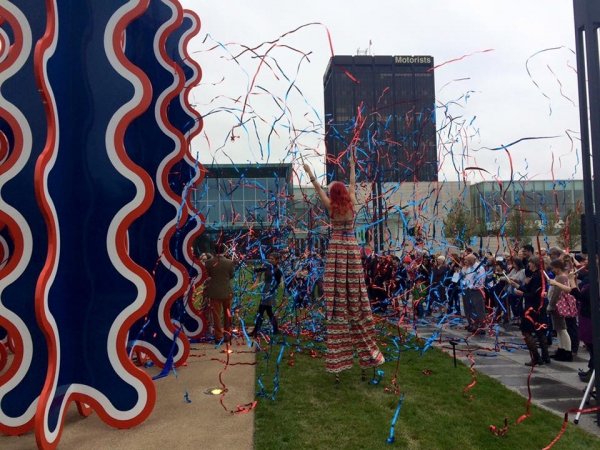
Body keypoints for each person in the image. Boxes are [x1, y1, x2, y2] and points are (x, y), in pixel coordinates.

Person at [303, 153, 385, 382]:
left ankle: (339, 364)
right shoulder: (351, 203)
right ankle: (368, 358)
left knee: (338, 304)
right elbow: (352, 183)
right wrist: (351, 166)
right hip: (350, 250)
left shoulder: (330, 207)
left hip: (336, 253)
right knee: (357, 299)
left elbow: (318, 189)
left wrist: (310, 173)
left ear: (332, 195)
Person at [514, 256, 550, 366]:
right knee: (540, 331)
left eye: (530, 262)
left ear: (534, 264)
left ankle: (537, 358)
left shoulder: (537, 276)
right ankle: (545, 356)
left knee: (526, 331)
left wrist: (522, 293)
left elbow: (533, 294)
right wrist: (523, 285)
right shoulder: (540, 275)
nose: (528, 265)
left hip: (532, 308)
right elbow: (532, 290)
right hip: (539, 307)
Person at [204, 244, 235, 343]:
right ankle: (227, 334)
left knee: (216, 315)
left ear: (214, 251)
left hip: (214, 291)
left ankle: (218, 336)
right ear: (223, 251)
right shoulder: (229, 262)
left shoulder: (209, 262)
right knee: (227, 313)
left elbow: (208, 274)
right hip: (226, 291)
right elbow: (231, 275)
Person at [546, 259, 573, 361]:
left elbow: (557, 292)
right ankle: (562, 349)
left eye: (553, 268)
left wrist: (551, 304)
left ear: (557, 267)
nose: (552, 270)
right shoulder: (560, 277)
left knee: (562, 329)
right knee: (559, 328)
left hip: (557, 305)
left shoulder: (561, 277)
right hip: (557, 305)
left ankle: (567, 351)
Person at [251, 253, 283, 337]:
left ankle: (255, 330)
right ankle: (275, 329)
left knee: (261, 311)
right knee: (268, 312)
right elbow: (261, 269)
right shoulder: (268, 267)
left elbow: (278, 282)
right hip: (265, 290)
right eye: (270, 258)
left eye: (272, 259)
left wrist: (272, 290)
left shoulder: (277, 271)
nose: (270, 260)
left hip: (269, 292)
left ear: (276, 260)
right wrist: (254, 269)